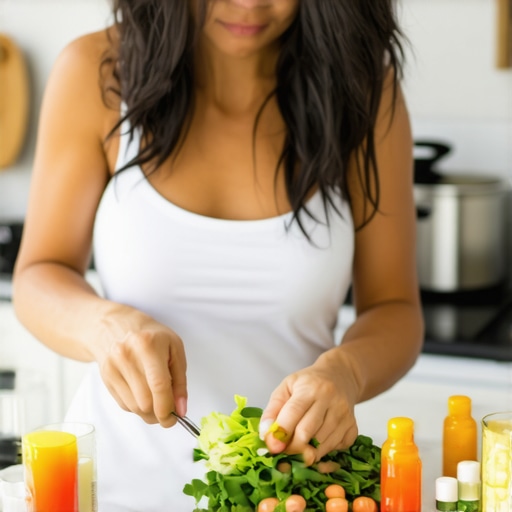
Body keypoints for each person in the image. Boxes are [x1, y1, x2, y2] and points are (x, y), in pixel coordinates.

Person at [12, 0, 424, 510]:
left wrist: (347, 371)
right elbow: (37, 274)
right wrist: (105, 326)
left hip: (283, 491)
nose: (249, 4)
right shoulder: (96, 71)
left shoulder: (365, 90)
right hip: (110, 488)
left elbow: (395, 309)